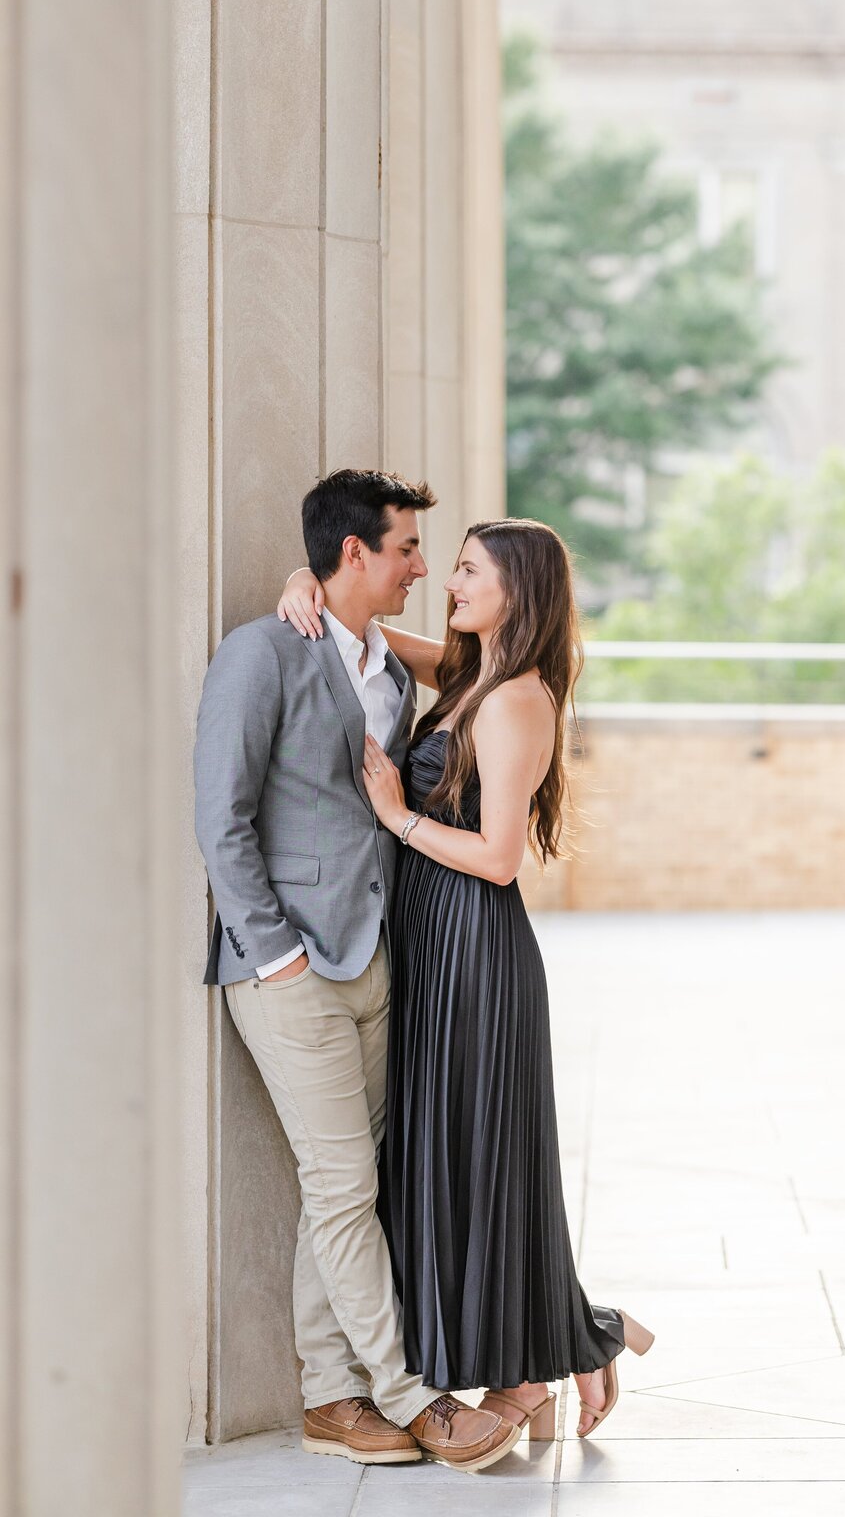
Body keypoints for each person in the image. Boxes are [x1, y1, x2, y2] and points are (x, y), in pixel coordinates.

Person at [277, 517, 654, 1444]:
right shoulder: (468, 675)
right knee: (457, 1160)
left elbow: (497, 858)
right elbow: (361, 623)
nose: (449, 582)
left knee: (484, 1162)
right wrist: (304, 578)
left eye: (469, 570)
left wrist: (396, 815)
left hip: (477, 952)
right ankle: (568, 1344)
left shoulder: (516, 699)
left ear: (517, 589)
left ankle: (545, 1362)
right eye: (449, 566)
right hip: (433, 946)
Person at [194, 469, 519, 1473]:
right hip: (286, 969)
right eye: (409, 549)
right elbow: (221, 817)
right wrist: (275, 950)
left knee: (349, 1187)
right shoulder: (258, 655)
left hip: (379, 964)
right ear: (355, 555)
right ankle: (415, 1397)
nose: (423, 566)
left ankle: (330, 1397)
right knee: (341, 1182)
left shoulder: (389, 665)